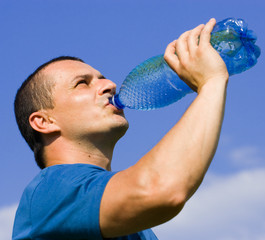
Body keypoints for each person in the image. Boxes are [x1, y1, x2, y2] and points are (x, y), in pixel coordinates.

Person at [12, 18, 229, 240]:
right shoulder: (51, 191)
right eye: (82, 83)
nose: (110, 85)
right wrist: (211, 82)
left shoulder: (133, 224)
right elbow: (160, 189)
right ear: (44, 122)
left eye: (103, 78)